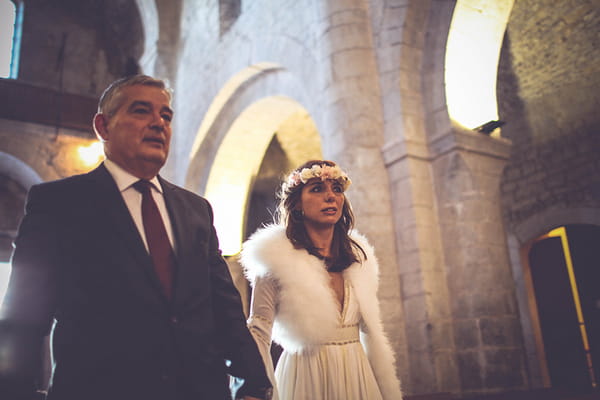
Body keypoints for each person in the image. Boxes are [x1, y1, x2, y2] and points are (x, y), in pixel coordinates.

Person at [0, 75, 272, 400]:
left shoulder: (196, 210)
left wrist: (254, 383)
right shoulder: (59, 204)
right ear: (103, 126)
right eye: (141, 111)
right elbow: (24, 316)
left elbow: (224, 308)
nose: (159, 123)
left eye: (166, 116)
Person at [240, 160, 403, 400]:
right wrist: (255, 391)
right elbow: (259, 332)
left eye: (336, 189)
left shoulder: (360, 260)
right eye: (317, 188)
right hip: (306, 377)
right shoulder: (275, 259)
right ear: (297, 205)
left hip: (357, 375)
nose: (330, 197)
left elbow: (373, 334)